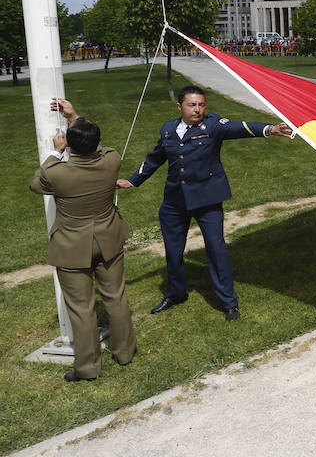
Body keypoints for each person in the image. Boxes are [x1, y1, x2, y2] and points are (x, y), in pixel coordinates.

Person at [116, 85, 292, 321]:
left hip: (207, 200)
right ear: (179, 106)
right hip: (174, 201)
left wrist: (269, 129)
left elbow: (239, 127)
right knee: (173, 251)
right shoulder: (168, 129)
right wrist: (132, 180)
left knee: (216, 249)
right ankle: (176, 293)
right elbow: (155, 158)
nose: (197, 109)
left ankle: (229, 303)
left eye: (201, 105)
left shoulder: (213, 125)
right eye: (191, 105)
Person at [30, 98, 136, 382]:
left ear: (69, 144)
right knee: (116, 298)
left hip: (71, 246)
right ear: (98, 141)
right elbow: (99, 146)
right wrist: (75, 116)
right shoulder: (112, 160)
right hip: (108, 239)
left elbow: (35, 184)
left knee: (81, 309)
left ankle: (88, 369)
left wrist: (55, 152)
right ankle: (125, 353)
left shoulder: (57, 173)